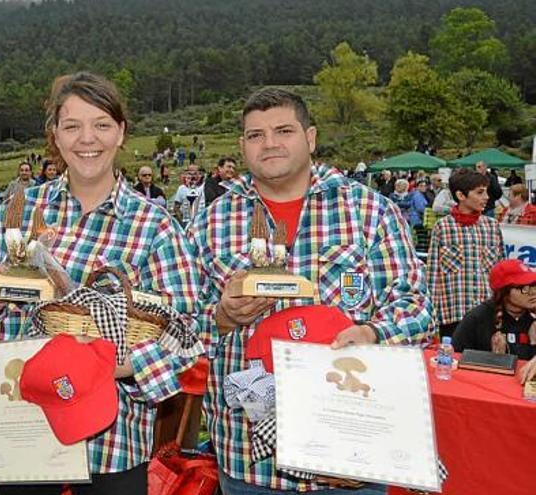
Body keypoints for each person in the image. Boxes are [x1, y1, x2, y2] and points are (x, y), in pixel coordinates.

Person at [187, 87, 432, 494]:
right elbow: (182, 325)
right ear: (242, 146)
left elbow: (416, 308)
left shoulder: (368, 211)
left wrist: (371, 333)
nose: (269, 144)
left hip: (352, 448)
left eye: (283, 130)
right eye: (255, 135)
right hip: (250, 458)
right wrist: (222, 317)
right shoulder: (209, 223)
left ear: (311, 137)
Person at [0, 71, 200, 495]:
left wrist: (120, 366)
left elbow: (186, 330)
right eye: (72, 126)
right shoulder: (19, 211)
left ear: (121, 133)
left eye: (101, 125)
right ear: (55, 136)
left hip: (111, 444)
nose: (86, 139)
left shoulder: (155, 227)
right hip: (22, 428)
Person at [427, 167, 504, 338]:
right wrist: (431, 316)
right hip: (453, 314)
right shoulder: (443, 227)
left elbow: (501, 273)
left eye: (486, 192)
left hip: (486, 314)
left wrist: (501, 309)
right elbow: (433, 276)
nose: (486, 197)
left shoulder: (492, 226)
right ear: (461, 196)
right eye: (480, 192)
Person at [453, 259, 536, 361]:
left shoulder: (532, 319)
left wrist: (534, 343)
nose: (533, 292)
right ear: (504, 292)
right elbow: (454, 359)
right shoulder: (478, 318)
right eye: (524, 288)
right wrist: (495, 359)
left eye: (534, 285)